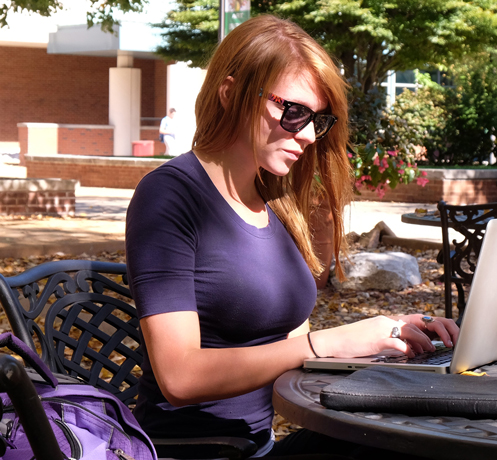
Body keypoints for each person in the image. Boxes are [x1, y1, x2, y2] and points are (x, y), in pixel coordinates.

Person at [124, 15, 459, 458]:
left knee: (426, 439)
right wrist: (331, 342)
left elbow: (291, 348)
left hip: (258, 445)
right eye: (293, 111)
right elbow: (180, 377)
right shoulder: (169, 195)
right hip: (193, 450)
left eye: (316, 120)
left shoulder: (275, 201)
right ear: (230, 94)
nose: (305, 135)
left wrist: (385, 340)